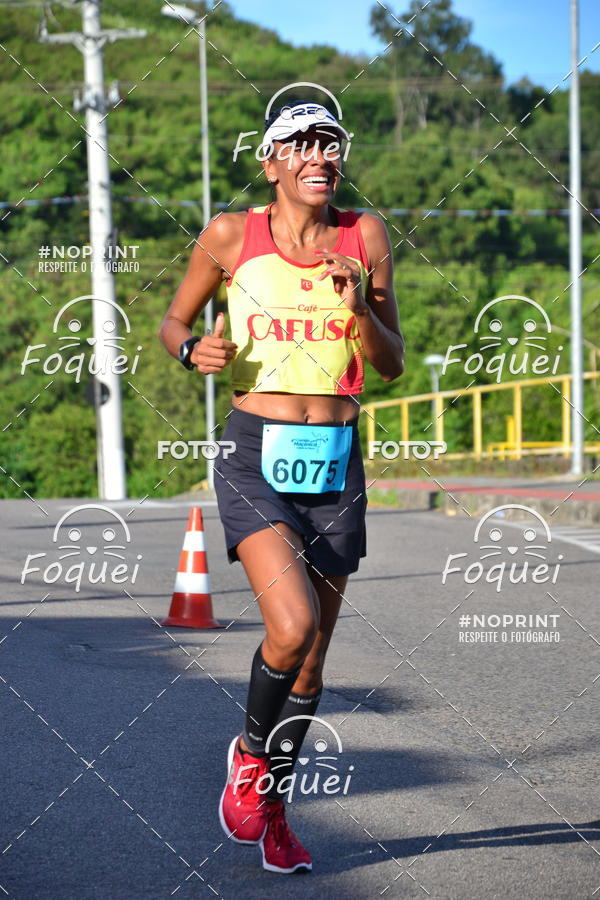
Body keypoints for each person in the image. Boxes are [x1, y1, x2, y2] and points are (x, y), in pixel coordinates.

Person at [159, 99, 404, 874]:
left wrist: (361, 301)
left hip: (335, 455)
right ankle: (250, 759)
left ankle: (274, 816)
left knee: (313, 661)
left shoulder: (365, 237)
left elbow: (392, 361)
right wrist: (193, 347)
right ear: (270, 162)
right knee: (291, 625)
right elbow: (172, 321)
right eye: (300, 144)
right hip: (257, 449)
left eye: (330, 143)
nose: (319, 156)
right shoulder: (232, 235)